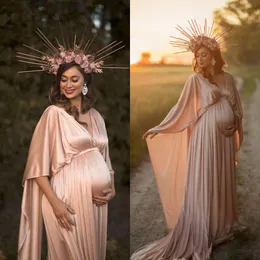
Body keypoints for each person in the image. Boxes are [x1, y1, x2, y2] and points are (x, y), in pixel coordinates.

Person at [131, 20, 243, 260]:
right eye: (197, 55)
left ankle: (220, 227)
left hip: (223, 139)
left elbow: (238, 107)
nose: (200, 59)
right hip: (205, 138)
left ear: (214, 55)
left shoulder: (229, 78)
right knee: (205, 178)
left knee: (221, 178)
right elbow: (180, 110)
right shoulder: (194, 80)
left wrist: (235, 124)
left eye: (204, 54)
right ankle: (202, 228)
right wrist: (160, 128)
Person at [17, 28, 125, 260]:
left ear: (85, 81)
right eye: (63, 80)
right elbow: (37, 169)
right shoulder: (53, 114)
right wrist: (55, 203)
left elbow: (106, 159)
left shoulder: (96, 116)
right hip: (66, 200)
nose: (68, 85)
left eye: (74, 79)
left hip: (97, 204)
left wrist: (112, 188)